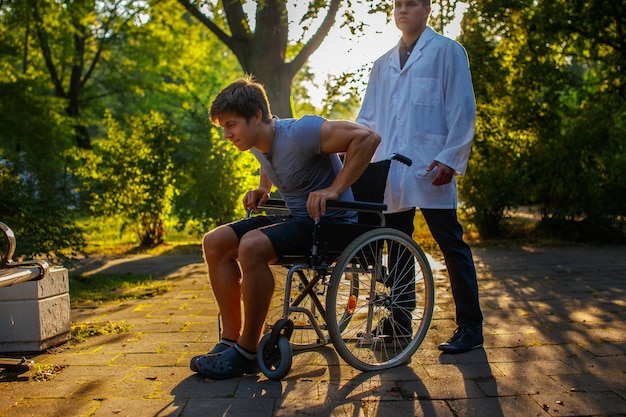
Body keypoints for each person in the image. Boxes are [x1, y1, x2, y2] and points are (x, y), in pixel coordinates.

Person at [191, 76, 380, 379]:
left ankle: (247, 351)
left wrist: (334, 189)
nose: (226, 134)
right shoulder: (254, 142)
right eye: (223, 127)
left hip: (332, 224)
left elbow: (368, 137)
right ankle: (229, 340)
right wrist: (263, 187)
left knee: (251, 246)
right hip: (299, 219)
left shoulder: (301, 132)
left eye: (231, 125)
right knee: (214, 242)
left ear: (256, 116)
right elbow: (270, 160)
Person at [356, 0, 483, 354]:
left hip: (432, 166)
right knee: (396, 245)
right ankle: (397, 323)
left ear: (428, 9)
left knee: (451, 243)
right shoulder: (381, 64)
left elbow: (462, 106)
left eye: (411, 4)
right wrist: (347, 146)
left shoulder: (447, 51)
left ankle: (471, 327)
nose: (402, 10)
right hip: (390, 169)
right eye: (398, 4)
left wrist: (451, 158)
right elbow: (367, 118)